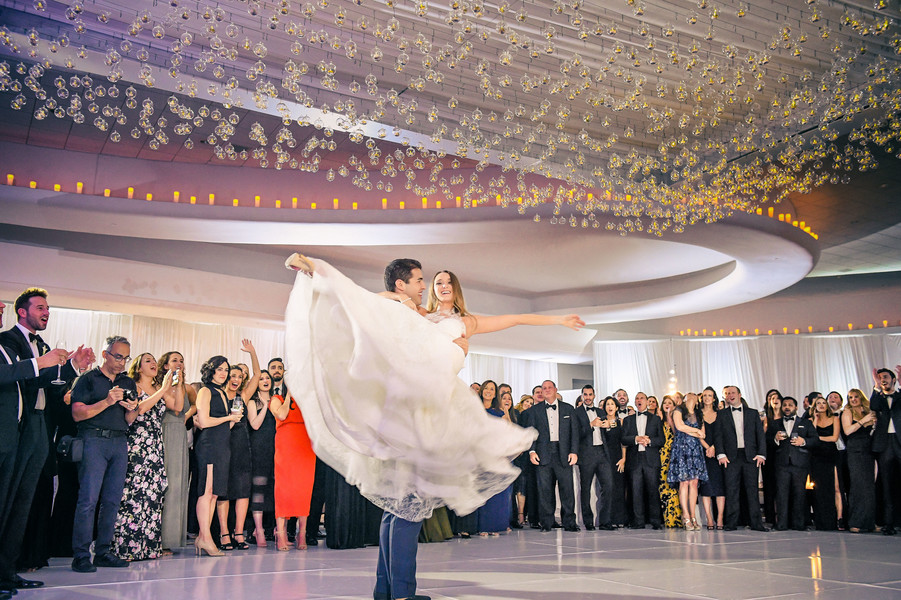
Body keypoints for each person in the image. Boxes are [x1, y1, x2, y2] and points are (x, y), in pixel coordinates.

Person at [283, 255, 581, 600]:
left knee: (400, 504)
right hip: (414, 410)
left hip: (437, 407)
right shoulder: (416, 313)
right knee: (406, 504)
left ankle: (387, 589)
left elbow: (514, 318)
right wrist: (385, 293)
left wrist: (558, 318)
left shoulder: (466, 322)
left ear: (455, 289)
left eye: (445, 282)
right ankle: (402, 594)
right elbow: (366, 303)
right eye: (433, 281)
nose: (437, 286)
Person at [0, 299, 71, 598]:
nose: (46, 313)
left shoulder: (37, 343)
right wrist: (39, 363)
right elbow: (16, 376)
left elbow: (42, 382)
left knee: (19, 503)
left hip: (28, 429)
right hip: (15, 430)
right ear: (23, 311)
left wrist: (70, 366)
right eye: (40, 307)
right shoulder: (8, 341)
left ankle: (6, 571)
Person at [70, 336, 140, 572]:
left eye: (126, 358)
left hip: (119, 442)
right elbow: (78, 414)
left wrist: (133, 409)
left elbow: (130, 420)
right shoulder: (88, 379)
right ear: (105, 354)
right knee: (88, 500)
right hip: (93, 440)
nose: (122, 362)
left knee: (112, 500)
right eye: (118, 356)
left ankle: (103, 551)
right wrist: (108, 401)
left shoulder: (128, 382)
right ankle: (80, 555)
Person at [112, 353, 175, 560]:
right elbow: (139, 410)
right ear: (139, 367)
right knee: (133, 494)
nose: (153, 364)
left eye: (154, 361)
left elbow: (177, 406)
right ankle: (127, 546)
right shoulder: (133, 386)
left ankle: (149, 547)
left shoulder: (158, 389)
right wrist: (164, 389)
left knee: (153, 494)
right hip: (137, 444)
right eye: (148, 361)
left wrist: (174, 384)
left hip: (156, 444)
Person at [193, 355, 242, 557]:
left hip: (222, 445)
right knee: (207, 491)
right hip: (210, 446)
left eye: (225, 370)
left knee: (214, 493)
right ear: (211, 370)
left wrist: (232, 420)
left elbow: (222, 424)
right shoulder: (205, 391)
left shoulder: (221, 393)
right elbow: (203, 421)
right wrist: (230, 417)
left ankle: (203, 537)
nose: (223, 373)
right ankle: (204, 537)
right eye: (219, 369)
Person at [217, 340, 260, 551]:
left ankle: (239, 532)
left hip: (242, 448)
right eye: (232, 375)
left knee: (243, 491)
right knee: (223, 491)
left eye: (239, 376)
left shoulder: (243, 396)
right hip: (223, 447)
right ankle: (224, 533)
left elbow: (258, 376)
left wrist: (252, 353)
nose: (236, 378)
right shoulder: (218, 397)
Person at [525, 379, 580, 532]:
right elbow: (531, 432)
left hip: (563, 454)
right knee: (545, 491)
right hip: (543, 455)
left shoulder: (568, 409)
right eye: (544, 388)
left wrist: (574, 451)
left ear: (555, 389)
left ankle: (569, 522)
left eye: (550, 387)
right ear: (541, 391)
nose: (547, 390)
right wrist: (532, 451)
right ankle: (546, 523)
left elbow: (574, 433)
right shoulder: (535, 411)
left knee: (567, 490)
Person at [715, 385, 767, 531]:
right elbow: (718, 436)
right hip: (731, 457)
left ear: (739, 394)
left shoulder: (753, 413)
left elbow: (760, 435)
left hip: (750, 456)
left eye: (732, 392)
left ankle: (756, 523)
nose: (730, 395)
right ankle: (731, 523)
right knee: (731, 490)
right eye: (727, 393)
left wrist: (761, 454)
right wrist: (721, 454)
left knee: (752, 490)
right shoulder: (722, 414)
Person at [271, 386, 316, 551]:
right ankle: (281, 533)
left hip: (305, 445)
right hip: (286, 445)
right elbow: (282, 414)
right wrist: (290, 395)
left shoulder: (306, 401)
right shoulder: (277, 399)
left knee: (304, 489)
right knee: (284, 489)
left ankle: (301, 533)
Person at [157, 351, 192, 552]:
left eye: (181, 360)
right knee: (168, 484)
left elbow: (188, 408)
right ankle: (162, 539)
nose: (179, 363)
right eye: (174, 360)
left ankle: (173, 538)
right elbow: (176, 409)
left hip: (180, 433)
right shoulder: (163, 387)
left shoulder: (184, 387)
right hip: (167, 432)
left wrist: (191, 414)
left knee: (179, 485)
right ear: (165, 365)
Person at [766, 397, 817, 531]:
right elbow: (767, 442)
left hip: (799, 463)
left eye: (790, 405)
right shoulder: (775, 423)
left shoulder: (806, 423)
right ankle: (781, 524)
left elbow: (815, 440)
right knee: (781, 494)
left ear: (796, 407)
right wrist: (775, 439)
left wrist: (803, 441)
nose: (787, 407)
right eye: (785, 405)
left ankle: (798, 524)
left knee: (799, 494)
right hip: (781, 464)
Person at [574, 384, 614, 531]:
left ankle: (605, 521)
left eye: (590, 394)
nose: (588, 397)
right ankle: (588, 522)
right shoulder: (576, 413)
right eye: (585, 394)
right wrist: (591, 424)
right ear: (582, 395)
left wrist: (608, 426)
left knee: (608, 486)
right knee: (585, 489)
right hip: (586, 455)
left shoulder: (600, 411)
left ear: (594, 395)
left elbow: (609, 434)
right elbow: (576, 434)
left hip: (602, 453)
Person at [622, 392, 664, 529]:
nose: (639, 400)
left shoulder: (656, 419)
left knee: (652, 490)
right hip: (634, 459)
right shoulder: (628, 420)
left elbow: (661, 440)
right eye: (637, 399)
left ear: (647, 402)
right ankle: (638, 521)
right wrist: (636, 439)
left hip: (651, 459)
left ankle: (655, 521)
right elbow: (623, 439)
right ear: (635, 402)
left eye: (642, 398)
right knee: (636, 491)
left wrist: (650, 441)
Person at [668, 393, 708, 531]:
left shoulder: (699, 413)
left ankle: (693, 515)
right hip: (682, 448)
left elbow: (703, 434)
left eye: (693, 395)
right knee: (684, 482)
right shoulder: (678, 411)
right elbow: (679, 427)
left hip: (695, 450)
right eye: (688, 395)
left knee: (694, 482)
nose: (691, 397)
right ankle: (685, 515)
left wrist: (696, 433)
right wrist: (695, 431)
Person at [870, 366, 901, 535]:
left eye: (886, 377)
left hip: (899, 442)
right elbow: (873, 405)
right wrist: (875, 386)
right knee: (886, 484)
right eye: (880, 377)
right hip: (884, 445)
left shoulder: (899, 396)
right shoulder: (879, 398)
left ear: (893, 380)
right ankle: (888, 523)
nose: (883, 379)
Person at [247, 369, 276, 547]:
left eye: (267, 378)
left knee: (273, 490)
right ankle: (258, 529)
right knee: (258, 489)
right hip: (259, 449)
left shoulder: (277, 400)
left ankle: (273, 528)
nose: (265, 381)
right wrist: (266, 405)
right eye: (262, 378)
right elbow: (255, 425)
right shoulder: (252, 401)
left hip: (276, 449)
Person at [842, 388, 876, 533]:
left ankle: (869, 522)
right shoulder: (847, 412)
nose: (853, 399)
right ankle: (855, 521)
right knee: (857, 485)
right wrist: (863, 421)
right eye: (850, 397)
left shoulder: (868, 411)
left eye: (856, 396)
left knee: (869, 487)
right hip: (855, 451)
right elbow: (848, 431)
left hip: (868, 450)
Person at [810, 396, 840, 530]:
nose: (821, 405)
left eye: (823, 403)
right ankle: (820, 522)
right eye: (818, 403)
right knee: (818, 489)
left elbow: (834, 438)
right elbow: (810, 437)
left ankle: (833, 521)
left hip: (830, 455)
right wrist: (815, 420)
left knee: (832, 488)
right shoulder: (812, 420)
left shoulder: (834, 418)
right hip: (816, 456)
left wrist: (818, 438)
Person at [698, 387, 725, 530]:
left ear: (714, 398)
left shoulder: (721, 414)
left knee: (720, 486)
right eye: (705, 395)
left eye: (710, 395)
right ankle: (709, 518)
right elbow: (697, 434)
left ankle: (720, 517)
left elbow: (723, 433)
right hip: (703, 452)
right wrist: (707, 447)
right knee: (706, 486)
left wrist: (714, 447)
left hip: (719, 453)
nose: (707, 398)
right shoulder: (698, 414)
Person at [658, 396, 682, 528]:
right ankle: (669, 519)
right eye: (665, 403)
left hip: (675, 455)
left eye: (670, 403)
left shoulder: (678, 420)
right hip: (662, 457)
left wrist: (670, 418)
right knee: (665, 487)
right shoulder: (658, 421)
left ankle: (679, 518)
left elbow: (677, 434)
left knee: (676, 487)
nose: (667, 405)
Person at [762, 389, 783, 526]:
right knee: (769, 487)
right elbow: (763, 437)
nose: (774, 400)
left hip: (783, 455)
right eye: (771, 398)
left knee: (781, 486)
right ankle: (770, 517)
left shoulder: (787, 418)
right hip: (769, 455)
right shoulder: (766, 419)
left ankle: (782, 515)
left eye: (777, 398)